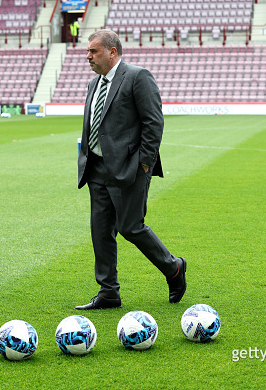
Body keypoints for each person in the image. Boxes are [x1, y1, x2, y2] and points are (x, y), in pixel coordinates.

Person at [75, 29, 186, 310]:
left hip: (130, 168)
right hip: (97, 168)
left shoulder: (137, 76)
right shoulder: (93, 84)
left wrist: (144, 164)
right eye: (87, 51)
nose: (88, 56)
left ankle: (173, 268)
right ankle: (108, 292)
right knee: (100, 230)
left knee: (130, 227)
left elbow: (153, 123)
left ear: (112, 52)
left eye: (93, 51)